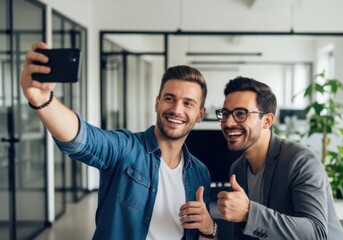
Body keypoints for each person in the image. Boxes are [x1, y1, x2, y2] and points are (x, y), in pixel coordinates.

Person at [20, 42, 217, 240]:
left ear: (200, 115)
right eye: (169, 98)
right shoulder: (125, 148)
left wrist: (209, 229)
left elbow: (203, 236)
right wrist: (43, 101)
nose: (176, 110)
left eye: (188, 103)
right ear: (157, 103)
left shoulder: (200, 173)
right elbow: (83, 139)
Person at [216, 76, 343, 240]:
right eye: (225, 113)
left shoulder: (300, 161)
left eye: (241, 113)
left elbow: (316, 233)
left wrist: (250, 213)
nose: (228, 122)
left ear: (267, 121)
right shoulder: (238, 169)